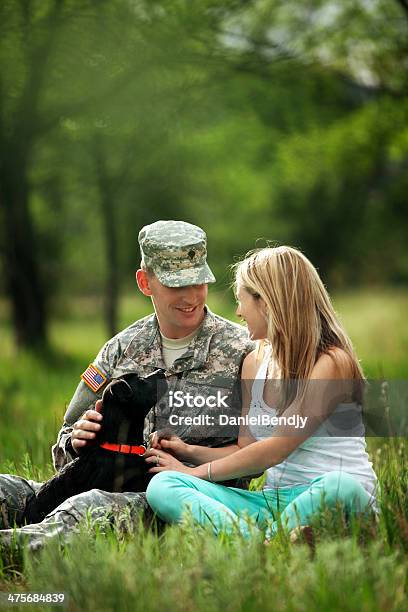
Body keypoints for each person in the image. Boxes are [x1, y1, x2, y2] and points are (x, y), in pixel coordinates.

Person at [0, 220, 253, 553]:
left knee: (86, 511)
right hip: (93, 483)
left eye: (198, 280)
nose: (191, 295)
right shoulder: (120, 350)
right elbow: (63, 452)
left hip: (175, 503)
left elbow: (259, 452)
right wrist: (78, 440)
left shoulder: (243, 351)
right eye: (176, 284)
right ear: (145, 282)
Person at [145, 246, 379, 540]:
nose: (238, 312)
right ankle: (269, 542)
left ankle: (259, 543)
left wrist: (193, 473)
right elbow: (246, 449)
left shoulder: (331, 362)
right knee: (163, 486)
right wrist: (188, 453)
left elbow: (277, 448)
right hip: (275, 503)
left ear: (267, 303)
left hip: (335, 497)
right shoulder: (254, 363)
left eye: (241, 301)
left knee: (340, 485)